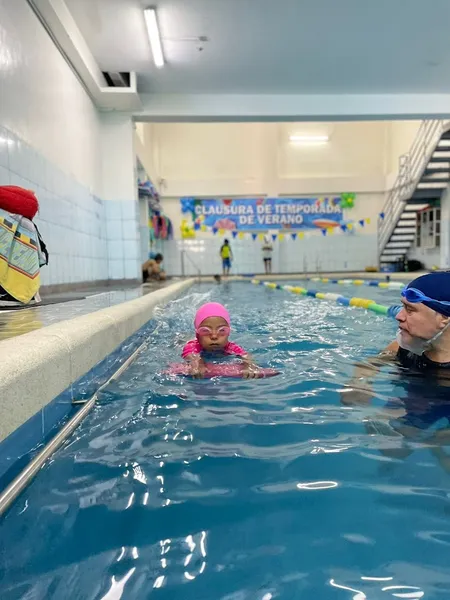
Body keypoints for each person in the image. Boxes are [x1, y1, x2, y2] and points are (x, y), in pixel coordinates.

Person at [341, 272, 450, 442]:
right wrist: (359, 382)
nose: (399, 315)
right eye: (402, 307)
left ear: (443, 318)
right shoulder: (410, 344)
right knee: (386, 440)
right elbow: (373, 362)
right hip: (416, 396)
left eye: (410, 309)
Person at [182, 302, 259, 378]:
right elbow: (190, 354)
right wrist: (198, 363)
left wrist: (249, 365)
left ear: (228, 333)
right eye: (205, 331)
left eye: (222, 330)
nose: (214, 336)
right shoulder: (193, 345)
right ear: (197, 334)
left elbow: (246, 356)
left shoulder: (230, 347)